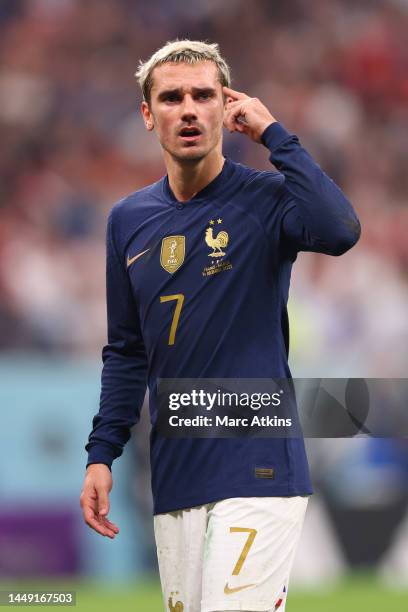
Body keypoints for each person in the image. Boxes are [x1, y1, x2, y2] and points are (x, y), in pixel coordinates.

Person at [80, 39, 361, 612]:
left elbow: (339, 231)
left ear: (225, 107)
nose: (189, 108)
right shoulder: (128, 220)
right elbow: (127, 352)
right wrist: (101, 454)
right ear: (147, 113)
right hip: (177, 473)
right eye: (172, 97)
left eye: (204, 95)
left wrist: (275, 137)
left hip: (258, 462)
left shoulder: (266, 198)